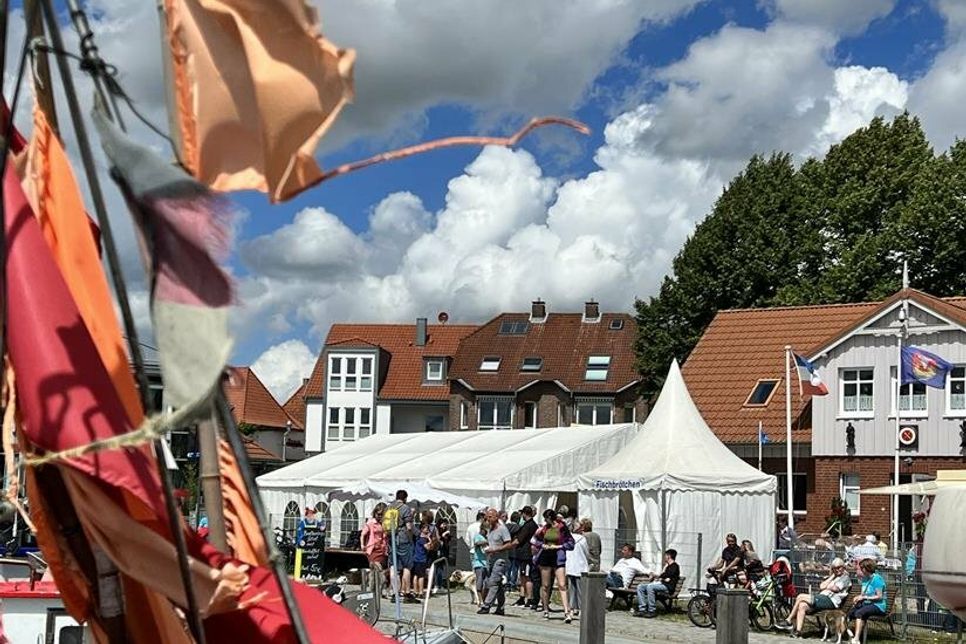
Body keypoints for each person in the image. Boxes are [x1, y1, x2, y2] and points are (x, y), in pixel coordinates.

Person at [780, 557, 851, 636]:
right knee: (802, 605)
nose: (837, 570)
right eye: (834, 568)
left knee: (800, 596)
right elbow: (821, 586)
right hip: (823, 598)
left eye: (839, 567)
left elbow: (836, 589)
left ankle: (789, 620)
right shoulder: (834, 577)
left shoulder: (845, 578)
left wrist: (828, 586)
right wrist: (832, 576)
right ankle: (798, 631)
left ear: (843, 567)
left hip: (831, 601)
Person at [531, 509, 575, 622]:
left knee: (562, 584)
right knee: (545, 585)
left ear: (551, 518)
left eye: (546, 518)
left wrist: (559, 547)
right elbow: (534, 540)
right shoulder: (544, 528)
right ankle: (546, 609)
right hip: (545, 557)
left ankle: (566, 611)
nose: (545, 520)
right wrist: (542, 545)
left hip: (558, 557)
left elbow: (571, 543)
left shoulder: (562, 528)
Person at [477, 508, 514, 616]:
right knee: (496, 583)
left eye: (490, 517)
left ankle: (486, 605)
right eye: (487, 517)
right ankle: (501, 607)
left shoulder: (502, 529)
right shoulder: (489, 529)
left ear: (496, 517)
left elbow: (509, 544)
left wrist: (496, 549)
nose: (488, 519)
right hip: (491, 559)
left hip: (500, 560)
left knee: (493, 581)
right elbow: (489, 541)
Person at [847, 559, 887, 644]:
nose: (861, 570)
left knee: (860, 613)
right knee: (850, 613)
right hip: (867, 604)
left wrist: (864, 597)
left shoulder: (877, 579)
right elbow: (863, 594)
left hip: (878, 605)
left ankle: (856, 638)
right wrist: (858, 597)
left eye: (862, 568)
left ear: (867, 568)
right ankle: (846, 633)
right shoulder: (865, 579)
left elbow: (879, 597)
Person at [635, 549, 680, 618]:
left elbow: (668, 575)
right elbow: (663, 576)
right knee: (640, 587)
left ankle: (652, 610)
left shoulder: (675, 566)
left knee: (650, 587)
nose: (664, 557)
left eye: (665, 555)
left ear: (669, 556)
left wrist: (663, 577)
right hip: (662, 584)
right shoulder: (667, 566)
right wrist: (663, 577)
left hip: (668, 587)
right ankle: (642, 609)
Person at [389, 489, 416, 601]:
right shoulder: (405, 508)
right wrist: (411, 538)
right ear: (405, 498)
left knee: (393, 566)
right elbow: (409, 527)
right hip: (403, 539)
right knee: (407, 566)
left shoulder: (389, 507)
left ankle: (394, 592)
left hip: (391, 539)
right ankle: (406, 592)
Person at [511, 506, 539, 608]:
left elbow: (520, 539)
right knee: (522, 576)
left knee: (527, 577)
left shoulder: (529, 525)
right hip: (523, 554)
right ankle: (522, 597)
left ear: (524, 514)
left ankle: (529, 598)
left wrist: (509, 545)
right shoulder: (529, 525)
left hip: (526, 554)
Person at [565, 518, 590, 616]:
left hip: (570, 566)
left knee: (572, 589)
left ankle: (572, 607)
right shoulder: (582, 539)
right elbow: (586, 552)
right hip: (580, 566)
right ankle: (581, 608)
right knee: (581, 590)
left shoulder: (567, 538)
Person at [360, 503, 388, 570]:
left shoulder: (385, 523)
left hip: (383, 549)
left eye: (382, 515)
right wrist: (362, 545)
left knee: (380, 568)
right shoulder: (371, 523)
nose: (380, 516)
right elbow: (363, 534)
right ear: (375, 513)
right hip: (373, 549)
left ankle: (378, 579)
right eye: (378, 514)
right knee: (376, 567)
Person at [472, 527, 489, 604]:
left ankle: (484, 599)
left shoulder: (487, 537)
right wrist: (487, 541)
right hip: (479, 562)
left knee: (487, 583)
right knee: (480, 581)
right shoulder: (478, 536)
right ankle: (480, 599)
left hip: (487, 563)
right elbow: (477, 543)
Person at [506, 511, 522, 591]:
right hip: (516, 549)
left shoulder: (506, 526)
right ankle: (513, 584)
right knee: (515, 568)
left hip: (507, 549)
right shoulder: (519, 527)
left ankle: (506, 583)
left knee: (507, 568)